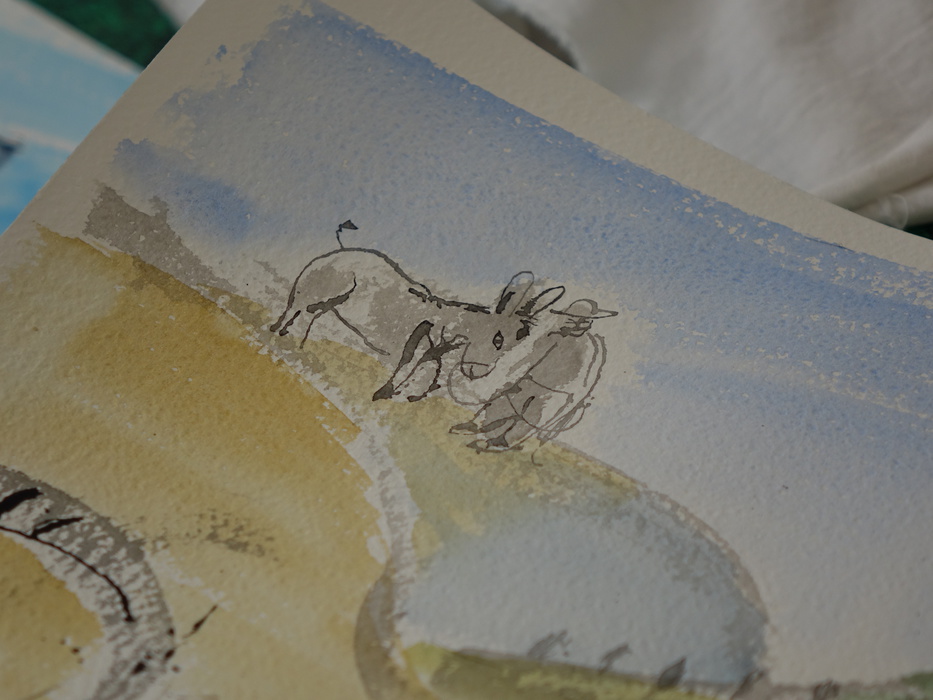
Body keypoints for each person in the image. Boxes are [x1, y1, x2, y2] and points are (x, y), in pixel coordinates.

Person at [450, 298, 617, 451]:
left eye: (583, 320)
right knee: (501, 397)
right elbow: (532, 355)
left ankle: (503, 441)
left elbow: (588, 373)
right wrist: (516, 368)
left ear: (590, 322)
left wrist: (576, 394)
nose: (577, 324)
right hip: (530, 380)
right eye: (572, 318)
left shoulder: (589, 344)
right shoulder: (552, 334)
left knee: (530, 414)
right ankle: (480, 427)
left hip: (556, 389)